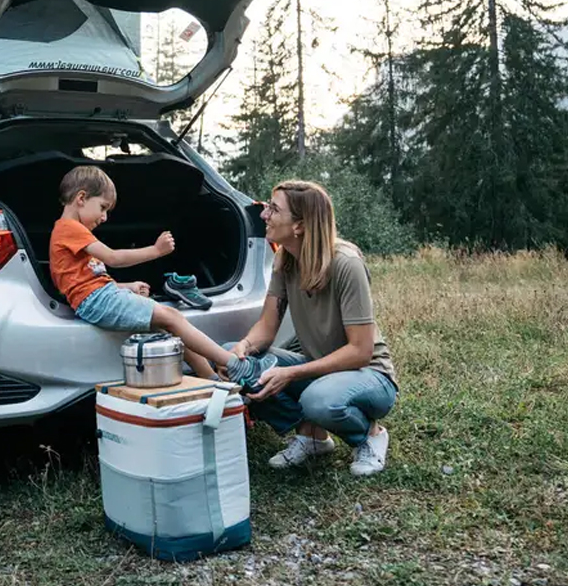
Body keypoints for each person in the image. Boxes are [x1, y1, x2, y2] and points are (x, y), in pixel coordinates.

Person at [222, 179, 398, 476]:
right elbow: (266, 327)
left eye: (274, 210)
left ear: (299, 226)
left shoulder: (346, 264)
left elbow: (360, 352)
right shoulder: (285, 258)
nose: (264, 215)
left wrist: (291, 373)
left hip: (370, 375)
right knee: (230, 358)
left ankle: (370, 436)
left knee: (319, 400)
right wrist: (243, 348)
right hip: (320, 367)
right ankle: (312, 436)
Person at [49, 165, 243, 375]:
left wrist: (127, 287)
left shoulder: (70, 231)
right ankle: (235, 364)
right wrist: (156, 250)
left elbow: (85, 280)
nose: (104, 217)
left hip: (98, 296)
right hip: (96, 300)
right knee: (172, 317)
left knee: (169, 326)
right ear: (81, 198)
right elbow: (113, 258)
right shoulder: (70, 228)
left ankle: (212, 378)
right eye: (102, 207)